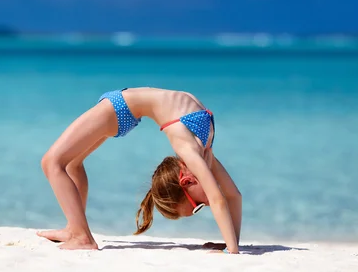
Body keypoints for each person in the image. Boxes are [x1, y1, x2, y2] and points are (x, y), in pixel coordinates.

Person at [37, 87, 242, 253]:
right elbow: (225, 198)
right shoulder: (192, 151)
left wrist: (230, 245)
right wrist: (232, 248)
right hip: (119, 107)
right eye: (198, 205)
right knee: (61, 163)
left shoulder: (200, 153)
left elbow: (228, 197)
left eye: (199, 206)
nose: (205, 203)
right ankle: (77, 231)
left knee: (60, 162)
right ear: (186, 182)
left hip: (122, 107)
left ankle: (79, 232)